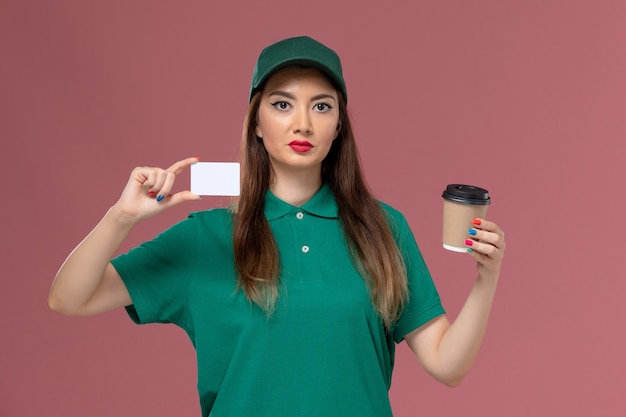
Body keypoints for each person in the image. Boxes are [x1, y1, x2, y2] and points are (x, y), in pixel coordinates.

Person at [49, 36, 506, 417]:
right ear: (258, 125)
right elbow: (68, 297)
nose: (302, 122)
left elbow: (449, 366)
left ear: (338, 127)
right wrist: (121, 218)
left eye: (321, 107)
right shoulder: (203, 237)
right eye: (283, 103)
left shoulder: (384, 228)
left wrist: (486, 279)